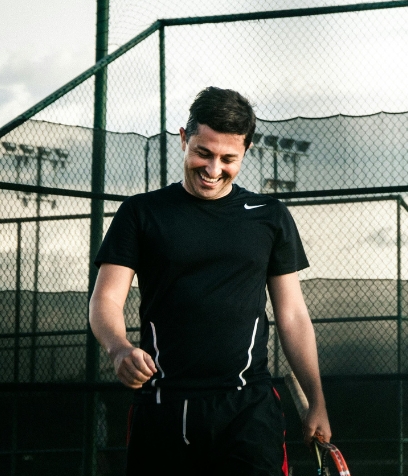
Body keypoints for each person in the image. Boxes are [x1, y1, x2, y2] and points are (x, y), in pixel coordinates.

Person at [89, 86, 330, 475]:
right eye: (203, 152)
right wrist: (119, 349)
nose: (213, 169)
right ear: (184, 139)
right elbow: (106, 301)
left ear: (246, 152)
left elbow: (293, 315)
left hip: (248, 411)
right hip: (162, 409)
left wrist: (317, 400)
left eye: (228, 158)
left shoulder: (269, 216)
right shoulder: (141, 213)